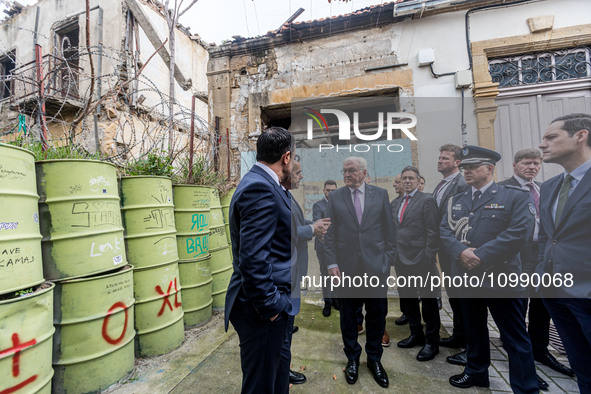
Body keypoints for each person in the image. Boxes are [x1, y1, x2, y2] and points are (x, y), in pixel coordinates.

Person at [440, 146, 539, 393]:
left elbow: (519, 234)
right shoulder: (456, 199)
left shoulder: (513, 196)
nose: (466, 171)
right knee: (474, 330)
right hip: (466, 277)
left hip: (501, 278)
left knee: (514, 337)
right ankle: (476, 372)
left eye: (473, 167)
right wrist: (461, 252)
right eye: (464, 167)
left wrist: (481, 256)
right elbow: (444, 231)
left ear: (490, 168)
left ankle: (525, 387)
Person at [224, 127, 295, 394]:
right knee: (260, 386)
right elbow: (252, 260)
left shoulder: (266, 184)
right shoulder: (259, 188)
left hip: (271, 304)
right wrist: (273, 306)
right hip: (262, 310)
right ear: (286, 157)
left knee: (275, 377)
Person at [498, 149, 573, 379]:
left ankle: (539, 350)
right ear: (515, 165)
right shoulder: (503, 188)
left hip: (543, 255)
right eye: (526, 163)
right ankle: (520, 355)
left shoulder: (545, 188)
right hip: (516, 255)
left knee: (542, 303)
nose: (531, 167)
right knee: (517, 305)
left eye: (536, 163)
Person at [325, 157, 395, 388]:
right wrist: (332, 263)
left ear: (364, 173)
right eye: (344, 170)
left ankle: (374, 360)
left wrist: (386, 263)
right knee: (348, 317)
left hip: (376, 269)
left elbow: (389, 232)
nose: (347, 174)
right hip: (346, 270)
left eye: (352, 170)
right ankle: (352, 358)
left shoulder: (381, 194)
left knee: (376, 315)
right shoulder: (336, 197)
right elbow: (330, 233)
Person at [537, 113, 591, 394]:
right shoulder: (551, 187)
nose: (542, 144)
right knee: (582, 366)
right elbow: (548, 238)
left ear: (580, 136)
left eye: (550, 137)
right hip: (557, 294)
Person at [281, 159, 331, 385]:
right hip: (286, 274)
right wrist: (312, 229)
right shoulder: (278, 196)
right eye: (299, 173)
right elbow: (283, 233)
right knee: (283, 333)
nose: (302, 177)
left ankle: (282, 366)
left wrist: (314, 224)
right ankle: (283, 371)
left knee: (287, 328)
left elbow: (297, 222)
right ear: (286, 171)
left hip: (294, 271)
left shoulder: (288, 196)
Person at [391, 166, 441, 361]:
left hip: (422, 260)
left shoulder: (426, 200)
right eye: (404, 178)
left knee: (428, 303)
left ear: (418, 181)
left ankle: (432, 342)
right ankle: (416, 334)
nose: (407, 181)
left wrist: (428, 257)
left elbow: (432, 232)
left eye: (411, 178)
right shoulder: (395, 203)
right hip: (401, 261)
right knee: (409, 301)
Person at [432, 144, 470, 366]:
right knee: (455, 294)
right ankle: (459, 335)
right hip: (444, 248)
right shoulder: (442, 184)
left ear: (457, 162)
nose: (439, 161)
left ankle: (468, 344)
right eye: (439, 157)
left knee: (463, 296)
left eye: (445, 158)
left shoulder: (461, 183)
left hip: (456, 247)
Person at [313, 180, 338, 317]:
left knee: (336, 273)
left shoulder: (339, 205)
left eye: (333, 190)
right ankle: (327, 301)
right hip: (323, 245)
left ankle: (335, 298)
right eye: (328, 190)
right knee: (325, 274)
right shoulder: (318, 205)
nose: (331, 193)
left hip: (338, 247)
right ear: (324, 190)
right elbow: (318, 223)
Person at [392, 173, 409, 326]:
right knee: (403, 286)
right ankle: (407, 313)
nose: (394, 185)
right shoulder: (394, 203)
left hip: (415, 254)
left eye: (397, 182)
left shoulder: (420, 201)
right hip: (399, 254)